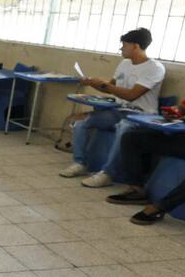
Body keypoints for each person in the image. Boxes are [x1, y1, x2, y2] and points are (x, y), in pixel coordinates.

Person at [59, 28, 165, 187]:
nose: (121, 49)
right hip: (119, 111)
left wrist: (103, 84)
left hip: (142, 115)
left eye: (124, 45)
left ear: (135, 46)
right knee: (81, 122)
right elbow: (111, 87)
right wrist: (92, 83)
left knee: (124, 128)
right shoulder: (124, 64)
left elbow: (131, 95)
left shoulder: (155, 68)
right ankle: (80, 163)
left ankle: (107, 173)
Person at [106, 81, 185, 224]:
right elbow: (183, 108)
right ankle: (137, 190)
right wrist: (173, 112)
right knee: (132, 138)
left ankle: (161, 207)